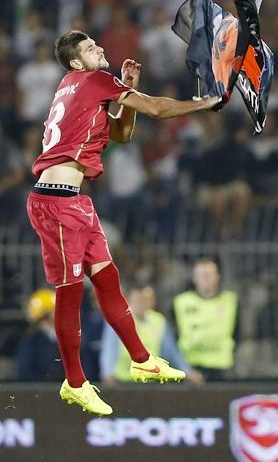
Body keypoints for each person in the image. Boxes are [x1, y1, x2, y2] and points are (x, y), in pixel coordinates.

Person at [25, 30, 221, 416]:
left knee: (108, 279)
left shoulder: (76, 84)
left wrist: (128, 91)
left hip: (76, 201)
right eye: (89, 48)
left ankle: (142, 358)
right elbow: (159, 111)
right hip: (56, 202)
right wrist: (204, 102)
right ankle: (75, 382)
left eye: (96, 43)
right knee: (70, 294)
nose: (99, 47)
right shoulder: (94, 79)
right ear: (77, 62)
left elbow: (122, 133)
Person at [100, 284, 204, 385]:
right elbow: (109, 349)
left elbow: (171, 352)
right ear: (128, 301)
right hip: (124, 381)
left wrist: (186, 371)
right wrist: (108, 372)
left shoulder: (159, 321)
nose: (141, 304)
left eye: (144, 300)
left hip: (151, 382)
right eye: (138, 300)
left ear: (151, 302)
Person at [173, 258, 238, 381]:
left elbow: (238, 332)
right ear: (194, 278)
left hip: (222, 366)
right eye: (202, 275)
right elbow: (174, 334)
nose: (206, 278)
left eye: (209, 274)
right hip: (191, 366)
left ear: (217, 276)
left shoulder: (230, 301)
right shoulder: (181, 302)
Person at [16, 288, 63, 382]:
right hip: (41, 391)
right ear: (45, 314)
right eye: (53, 310)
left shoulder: (67, 337)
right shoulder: (31, 341)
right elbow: (25, 371)